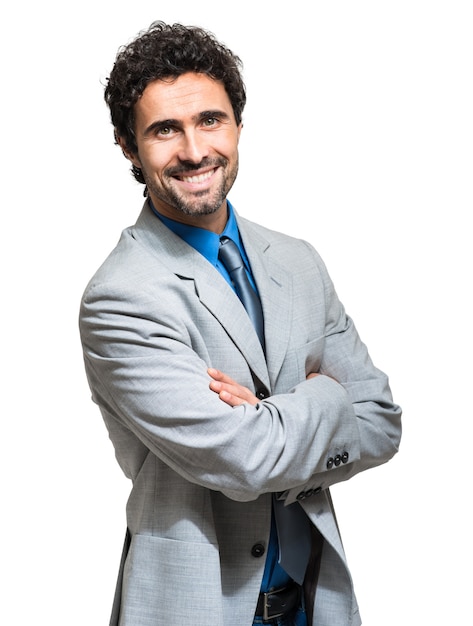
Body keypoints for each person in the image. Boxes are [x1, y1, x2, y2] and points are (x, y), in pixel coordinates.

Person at [79, 21, 402, 626]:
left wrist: (267, 413)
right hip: (195, 608)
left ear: (238, 125)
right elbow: (244, 463)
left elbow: (381, 422)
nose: (195, 151)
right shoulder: (121, 297)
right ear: (128, 146)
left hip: (314, 602)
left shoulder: (298, 261)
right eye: (165, 130)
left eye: (210, 120)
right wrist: (326, 396)